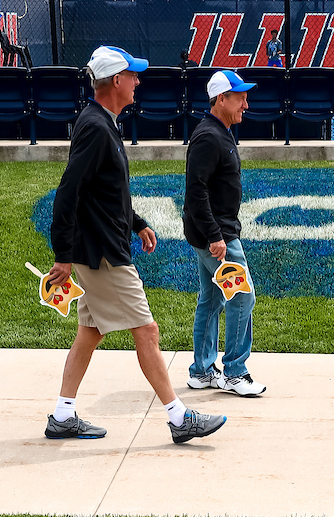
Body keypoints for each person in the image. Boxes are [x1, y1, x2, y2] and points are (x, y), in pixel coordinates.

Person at [47, 45, 226, 444]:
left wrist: (138, 222)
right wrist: (62, 255)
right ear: (116, 81)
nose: (138, 82)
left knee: (89, 333)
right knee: (147, 330)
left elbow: (106, 192)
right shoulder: (95, 126)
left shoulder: (103, 122)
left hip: (103, 246)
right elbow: (68, 191)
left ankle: (62, 415)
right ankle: (179, 419)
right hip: (104, 255)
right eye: (133, 75)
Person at [183, 70, 266, 398]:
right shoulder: (209, 137)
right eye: (240, 97)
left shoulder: (220, 132)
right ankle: (234, 371)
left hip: (211, 234)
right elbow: (196, 191)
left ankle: (202, 371)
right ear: (221, 99)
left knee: (213, 297)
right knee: (242, 296)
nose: (245, 103)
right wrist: (216, 236)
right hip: (218, 239)